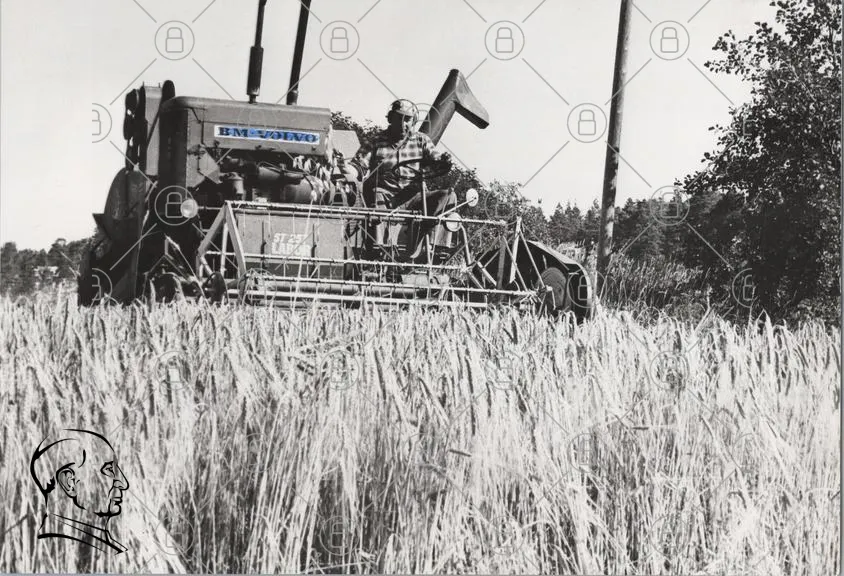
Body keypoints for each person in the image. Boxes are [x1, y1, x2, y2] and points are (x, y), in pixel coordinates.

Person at [341, 99, 455, 217]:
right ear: (390, 119)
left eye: (407, 119)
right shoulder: (376, 140)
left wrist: (444, 160)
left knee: (448, 196)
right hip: (385, 195)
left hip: (414, 196)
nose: (402, 124)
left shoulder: (422, 140)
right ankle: (381, 227)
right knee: (376, 197)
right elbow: (359, 166)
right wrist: (344, 167)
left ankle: (429, 228)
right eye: (399, 118)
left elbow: (437, 161)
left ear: (414, 121)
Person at [30, 429, 130, 555]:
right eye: (109, 469)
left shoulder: (106, 549)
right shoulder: (56, 553)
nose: (124, 484)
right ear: (69, 483)